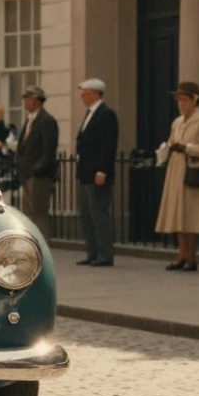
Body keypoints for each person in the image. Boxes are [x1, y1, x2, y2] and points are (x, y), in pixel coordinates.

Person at [156, 81, 199, 272]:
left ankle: (192, 256)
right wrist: (168, 147)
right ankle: (181, 255)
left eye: (184, 100)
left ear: (194, 100)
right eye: (179, 100)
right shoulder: (177, 122)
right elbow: (171, 141)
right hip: (176, 169)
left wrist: (187, 148)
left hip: (192, 170)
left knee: (191, 214)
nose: (181, 104)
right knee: (178, 214)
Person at [74, 78, 119, 267]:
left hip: (97, 172)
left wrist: (103, 169)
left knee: (99, 214)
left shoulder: (106, 114)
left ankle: (105, 253)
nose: (82, 97)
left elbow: (108, 145)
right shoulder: (90, 114)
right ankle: (92, 251)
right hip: (85, 171)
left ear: (95, 93)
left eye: (85, 93)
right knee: (86, 214)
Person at [15, 85, 59, 238]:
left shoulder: (46, 121)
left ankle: (42, 246)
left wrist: (37, 169)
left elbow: (48, 150)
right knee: (28, 213)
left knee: (39, 214)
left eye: (28, 99)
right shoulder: (29, 120)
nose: (25, 102)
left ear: (36, 101)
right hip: (27, 174)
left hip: (39, 176)